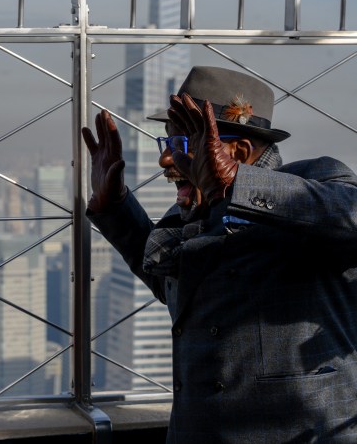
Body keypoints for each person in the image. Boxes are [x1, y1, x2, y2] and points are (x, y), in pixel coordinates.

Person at [82, 66, 357, 442]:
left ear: (238, 151)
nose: (165, 161)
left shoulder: (315, 182)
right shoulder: (186, 221)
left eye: (180, 146)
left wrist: (236, 183)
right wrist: (114, 207)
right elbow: (180, 291)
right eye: (167, 144)